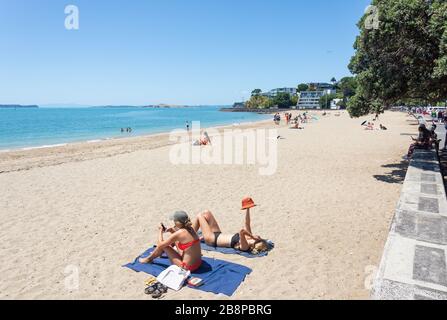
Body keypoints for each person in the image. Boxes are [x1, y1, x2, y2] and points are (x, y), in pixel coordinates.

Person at [192, 197, 270, 255]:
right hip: (218, 234)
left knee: (199, 216)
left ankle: (189, 236)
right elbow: (247, 223)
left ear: (255, 241)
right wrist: (248, 208)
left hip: (212, 240)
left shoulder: (245, 246)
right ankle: (191, 233)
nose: (258, 236)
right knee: (206, 213)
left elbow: (242, 231)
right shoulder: (248, 237)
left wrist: (253, 236)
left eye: (259, 237)